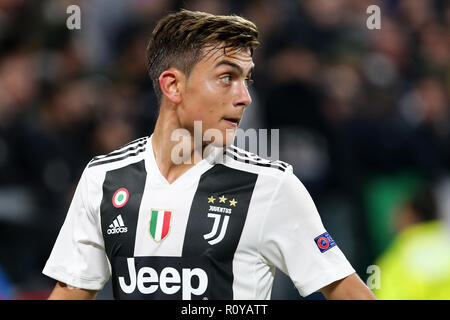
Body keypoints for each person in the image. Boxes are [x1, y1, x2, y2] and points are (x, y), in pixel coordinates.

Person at [42, 9, 375, 300]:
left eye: (246, 79)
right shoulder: (103, 180)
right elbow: (71, 292)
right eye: (227, 77)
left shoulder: (271, 187)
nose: (245, 97)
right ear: (173, 86)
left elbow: (349, 293)